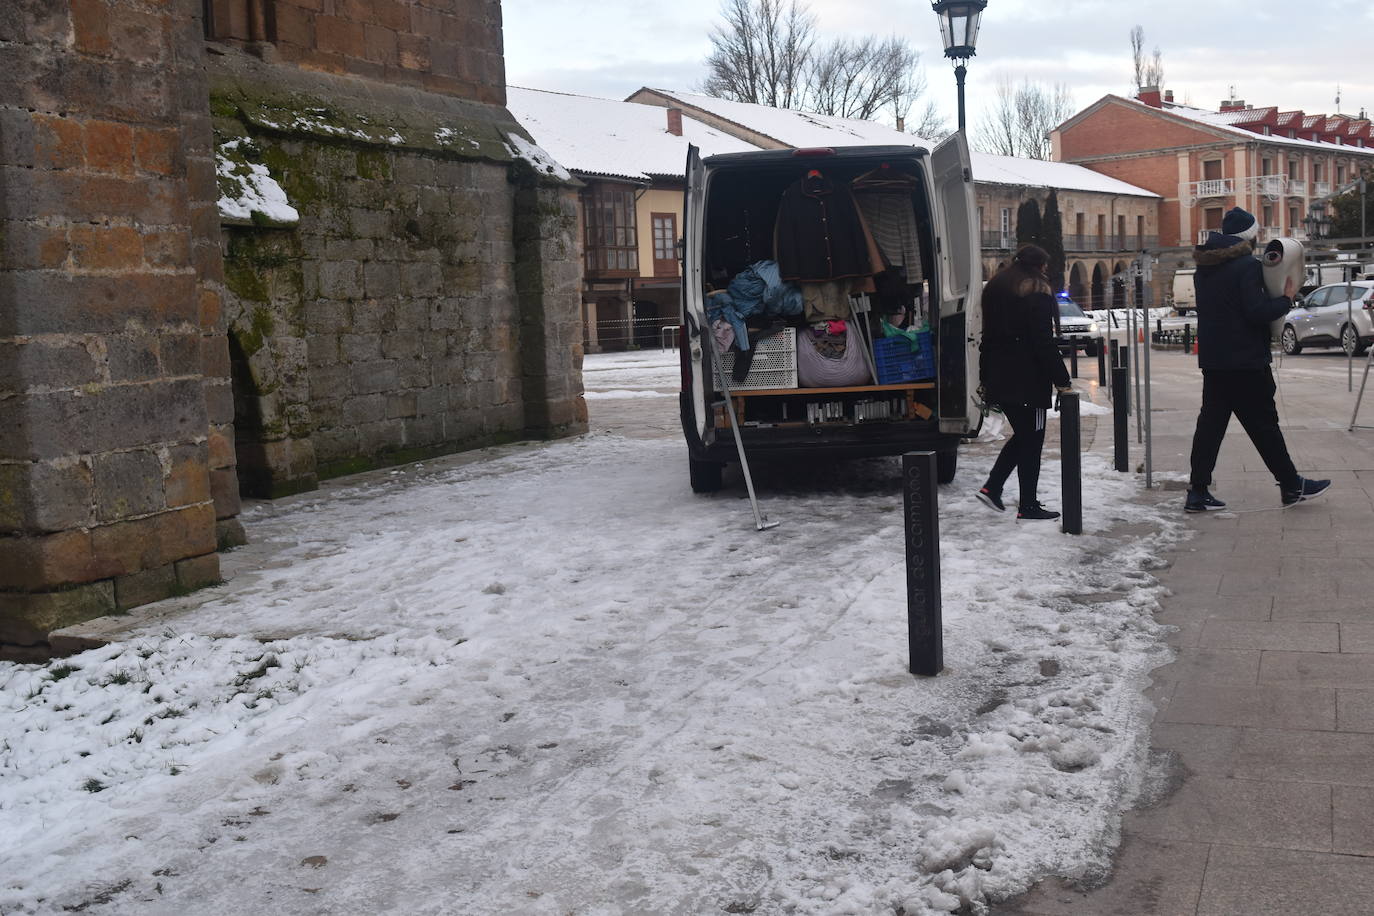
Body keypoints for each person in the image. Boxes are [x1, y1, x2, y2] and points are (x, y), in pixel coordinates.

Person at [1185, 206, 1330, 511]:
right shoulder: (1246, 267)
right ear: (1251, 237)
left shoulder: (1205, 268)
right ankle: (1291, 486)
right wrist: (1285, 299)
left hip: (1215, 362)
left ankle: (1197, 491)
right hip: (1246, 361)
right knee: (1264, 425)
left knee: (1210, 427)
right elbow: (1256, 312)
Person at [975, 245, 1073, 520]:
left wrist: (985, 378)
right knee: (1032, 441)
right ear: (1040, 267)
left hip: (1000, 375)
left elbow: (987, 340)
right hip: (1028, 379)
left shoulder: (998, 287)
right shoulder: (1036, 292)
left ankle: (993, 488)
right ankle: (1027, 504)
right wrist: (1062, 382)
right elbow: (1042, 341)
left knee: (1025, 437)